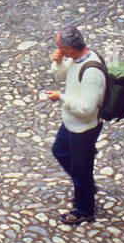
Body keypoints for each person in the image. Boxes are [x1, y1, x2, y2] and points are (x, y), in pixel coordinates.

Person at [45, 25, 107, 225]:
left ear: (70, 48)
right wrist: (58, 62)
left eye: (60, 47)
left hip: (84, 127)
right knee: (60, 150)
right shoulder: (76, 59)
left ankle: (84, 209)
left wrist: (61, 97)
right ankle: (86, 187)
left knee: (82, 169)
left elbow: (88, 108)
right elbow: (63, 76)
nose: (58, 49)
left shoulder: (91, 72)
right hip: (72, 122)